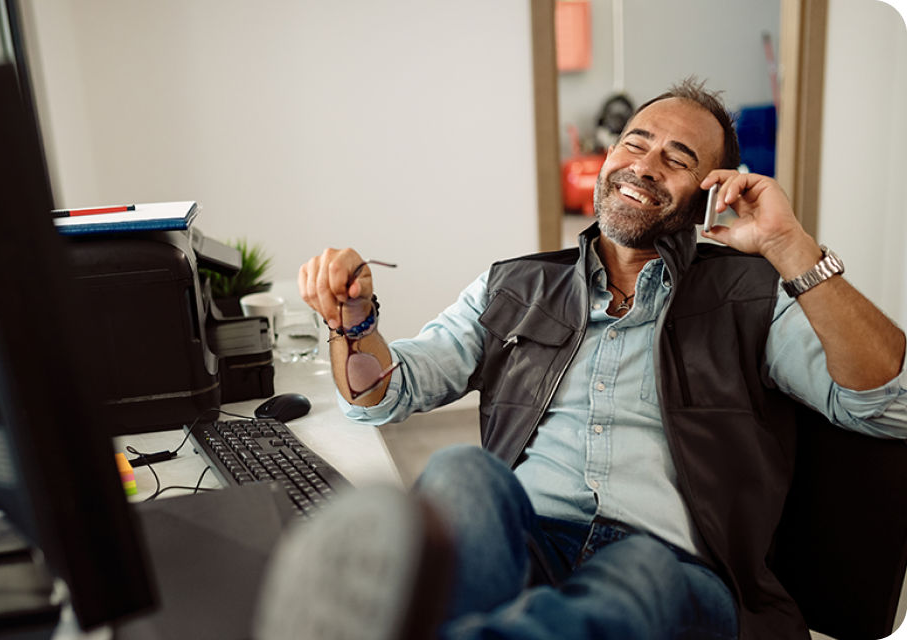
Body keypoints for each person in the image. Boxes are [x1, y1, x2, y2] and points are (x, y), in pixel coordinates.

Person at [255, 78, 907, 640]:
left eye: (677, 159)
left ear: (711, 194)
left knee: (639, 569)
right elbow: (382, 394)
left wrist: (790, 247)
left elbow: (890, 403)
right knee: (461, 470)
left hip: (683, 575)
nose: (646, 165)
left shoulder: (754, 294)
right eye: (635, 143)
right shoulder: (514, 287)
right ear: (607, 157)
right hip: (530, 547)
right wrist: (354, 323)